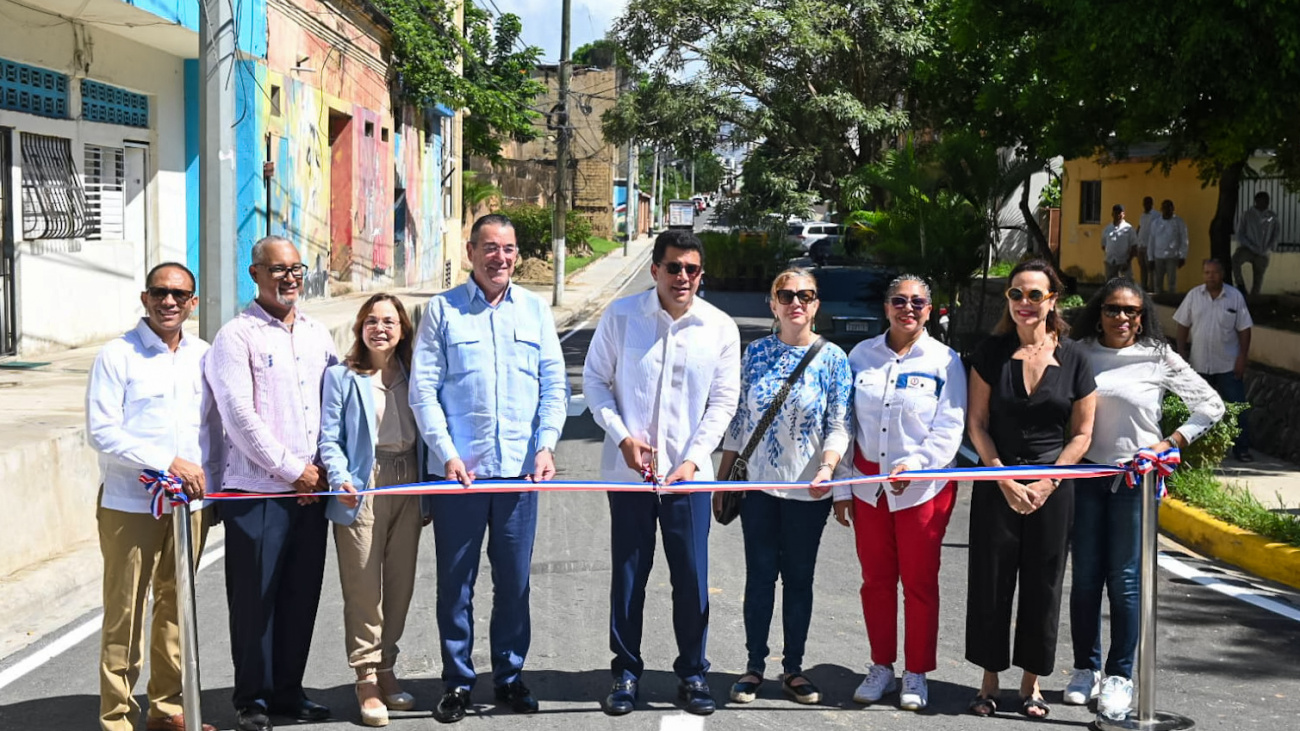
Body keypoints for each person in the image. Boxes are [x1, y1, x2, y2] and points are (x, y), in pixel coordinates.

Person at [409, 213, 567, 723]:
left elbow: (554, 387)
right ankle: (457, 681)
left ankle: (509, 676)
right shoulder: (442, 311)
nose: (500, 257)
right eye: (490, 248)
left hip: (521, 474)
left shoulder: (535, 311)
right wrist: (446, 453)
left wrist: (545, 446)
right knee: (456, 583)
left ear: (517, 255)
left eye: (509, 249)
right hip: (461, 475)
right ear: (472, 251)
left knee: (514, 582)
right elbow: (423, 391)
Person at [583, 229, 740, 717]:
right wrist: (623, 438)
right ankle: (626, 673)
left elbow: (723, 404)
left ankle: (693, 673)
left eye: (692, 269)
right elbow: (594, 381)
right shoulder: (622, 316)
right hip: (629, 476)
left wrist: (693, 459)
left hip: (687, 479)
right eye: (674, 268)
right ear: (655, 270)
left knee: (691, 577)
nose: (683, 277)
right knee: (629, 576)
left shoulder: (719, 328)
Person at [1066, 279, 1223, 718]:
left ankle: (1120, 678)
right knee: (1084, 580)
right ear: (1098, 311)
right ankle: (1085, 669)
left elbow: (1211, 405)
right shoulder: (1078, 351)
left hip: (1135, 484)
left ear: (1142, 316)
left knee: (1126, 582)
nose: (1121, 318)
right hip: (1085, 476)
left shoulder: (1158, 356)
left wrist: (1171, 441)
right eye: (1113, 309)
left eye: (1131, 311)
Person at [206, 236, 339, 731]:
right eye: (278, 269)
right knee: (255, 601)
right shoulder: (235, 337)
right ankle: (253, 699)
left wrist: (322, 468)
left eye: (297, 269)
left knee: (300, 596)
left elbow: (333, 404)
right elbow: (239, 416)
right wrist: (291, 470)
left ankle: (288, 691)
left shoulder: (317, 334)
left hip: (311, 491)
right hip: (258, 493)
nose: (289, 278)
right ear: (255, 273)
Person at [86, 263, 219, 731]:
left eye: (180, 295)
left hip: (189, 509)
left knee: (176, 609)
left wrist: (213, 488)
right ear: (145, 298)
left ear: (193, 303)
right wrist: (166, 461)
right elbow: (102, 432)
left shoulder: (203, 354)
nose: (169, 302)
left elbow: (212, 431)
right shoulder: (116, 355)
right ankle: (117, 717)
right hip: (130, 505)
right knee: (125, 613)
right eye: (160, 293)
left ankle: (166, 710)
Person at [965, 259, 1097, 720]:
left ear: (1052, 300)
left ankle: (1032, 683)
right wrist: (1001, 477)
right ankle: (988, 682)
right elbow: (976, 425)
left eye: (1034, 295)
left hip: (1052, 488)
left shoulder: (1076, 357)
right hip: (995, 484)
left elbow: (1081, 434)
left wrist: (1048, 480)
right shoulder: (990, 352)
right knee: (991, 581)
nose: (1025, 303)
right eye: (1016, 294)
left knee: (1043, 584)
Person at [716, 269, 852, 707]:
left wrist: (828, 468)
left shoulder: (833, 359)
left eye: (806, 295)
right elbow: (738, 422)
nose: (797, 302)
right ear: (772, 303)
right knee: (759, 578)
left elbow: (839, 423)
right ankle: (754, 666)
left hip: (808, 492)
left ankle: (793, 668)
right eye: (786, 294)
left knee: (798, 580)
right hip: (758, 488)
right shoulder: (755, 353)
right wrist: (724, 477)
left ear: (816, 304)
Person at [832, 274, 967, 712]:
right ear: (886, 307)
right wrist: (842, 487)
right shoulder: (861, 356)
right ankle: (881, 666)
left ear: (930, 309)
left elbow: (950, 426)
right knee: (875, 582)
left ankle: (916, 672)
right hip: (869, 487)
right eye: (898, 300)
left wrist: (920, 463)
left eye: (917, 302)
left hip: (922, 490)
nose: (907, 308)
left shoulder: (946, 361)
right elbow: (845, 425)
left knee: (920, 583)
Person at [319, 294, 426, 727]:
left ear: (402, 329)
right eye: (371, 320)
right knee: (365, 588)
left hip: (410, 480)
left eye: (389, 321)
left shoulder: (414, 373)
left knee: (400, 585)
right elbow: (329, 438)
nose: (380, 328)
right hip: (364, 485)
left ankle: (386, 667)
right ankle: (365, 677)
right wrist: (339, 476)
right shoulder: (342, 377)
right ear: (360, 326)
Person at [1174, 259, 1254, 461]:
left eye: (1215, 272)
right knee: (1196, 409)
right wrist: (1181, 352)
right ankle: (1196, 451)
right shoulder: (1193, 296)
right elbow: (1183, 325)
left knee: (1236, 408)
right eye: (1207, 272)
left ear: (1223, 274)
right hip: (1199, 364)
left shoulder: (1235, 297)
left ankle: (1241, 449)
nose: (1211, 276)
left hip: (1227, 364)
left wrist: (1242, 358)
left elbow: (1245, 330)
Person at [1233, 191, 1280, 296]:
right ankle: (1240, 285)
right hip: (1248, 249)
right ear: (1256, 201)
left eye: (1267, 201)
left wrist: (1269, 248)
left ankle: (1254, 300)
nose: (1266, 203)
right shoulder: (1247, 215)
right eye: (1263, 200)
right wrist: (1250, 245)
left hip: (1263, 252)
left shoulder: (1272, 216)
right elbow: (1240, 233)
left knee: (1258, 278)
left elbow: (1275, 234)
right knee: (1235, 260)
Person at [1149, 199, 1188, 294]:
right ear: (1161, 209)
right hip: (1158, 256)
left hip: (1172, 257)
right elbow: (1151, 240)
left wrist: (1183, 256)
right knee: (1158, 282)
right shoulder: (1156, 223)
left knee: (1171, 282)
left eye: (1169, 207)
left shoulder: (1179, 222)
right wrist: (1150, 258)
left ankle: (1171, 302)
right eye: (1164, 207)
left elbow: (1184, 239)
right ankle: (1158, 301)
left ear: (1173, 209)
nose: (1167, 210)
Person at [1102, 204, 1139, 281]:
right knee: (1111, 284)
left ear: (1123, 214)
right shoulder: (1107, 229)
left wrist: (1128, 261)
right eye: (1116, 213)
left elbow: (1134, 247)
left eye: (1120, 213)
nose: (1118, 215)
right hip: (1110, 262)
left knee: (1125, 285)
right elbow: (1103, 245)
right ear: (1112, 214)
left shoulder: (1129, 229)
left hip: (1124, 262)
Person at [1136, 196, 1159, 292]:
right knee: (1143, 268)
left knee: (1151, 268)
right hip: (1141, 245)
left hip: (1150, 246)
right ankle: (1143, 287)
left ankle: (1152, 288)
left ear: (1152, 203)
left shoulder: (1156, 215)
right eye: (1144, 203)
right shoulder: (1142, 216)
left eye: (1148, 203)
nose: (1146, 205)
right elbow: (1140, 227)